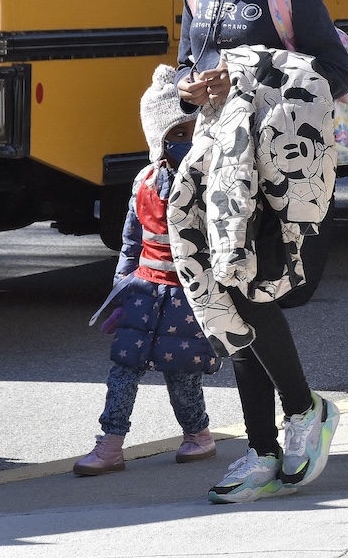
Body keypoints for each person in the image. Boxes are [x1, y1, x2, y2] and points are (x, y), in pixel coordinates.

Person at [170, 0, 348, 502]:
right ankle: (264, 448)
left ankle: (301, 413)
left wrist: (249, 71)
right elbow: (187, 68)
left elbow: (335, 73)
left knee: (249, 289)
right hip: (216, 165)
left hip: (273, 172)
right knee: (225, 296)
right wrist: (191, 89)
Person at [74, 65, 221, 477]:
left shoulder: (211, 180)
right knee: (123, 368)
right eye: (177, 134)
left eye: (192, 132)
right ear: (158, 139)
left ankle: (198, 434)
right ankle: (110, 444)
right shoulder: (144, 181)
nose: (186, 141)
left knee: (182, 372)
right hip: (143, 292)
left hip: (187, 295)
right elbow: (131, 241)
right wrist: (121, 288)